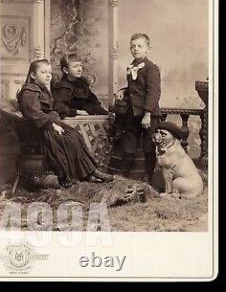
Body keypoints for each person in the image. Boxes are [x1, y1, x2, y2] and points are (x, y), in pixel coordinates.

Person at [17, 59, 113, 188]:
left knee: (74, 135)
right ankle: (79, 175)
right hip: (38, 131)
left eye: (49, 72)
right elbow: (33, 114)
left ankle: (90, 172)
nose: (48, 75)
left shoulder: (41, 89)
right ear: (33, 75)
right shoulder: (29, 90)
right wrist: (52, 124)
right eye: (43, 72)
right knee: (69, 138)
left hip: (47, 124)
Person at [112, 33, 161, 182]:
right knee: (129, 145)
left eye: (139, 46)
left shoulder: (151, 68)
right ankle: (124, 177)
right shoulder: (132, 66)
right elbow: (135, 89)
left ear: (147, 49)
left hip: (148, 114)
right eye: (133, 46)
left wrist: (147, 114)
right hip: (132, 113)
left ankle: (148, 177)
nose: (135, 49)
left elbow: (153, 92)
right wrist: (123, 90)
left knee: (148, 147)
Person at [52, 53, 108, 119]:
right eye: (75, 66)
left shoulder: (82, 83)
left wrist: (106, 113)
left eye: (80, 65)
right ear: (66, 70)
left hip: (90, 119)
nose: (79, 69)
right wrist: (77, 112)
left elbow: (93, 101)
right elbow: (59, 108)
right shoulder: (63, 87)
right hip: (74, 121)